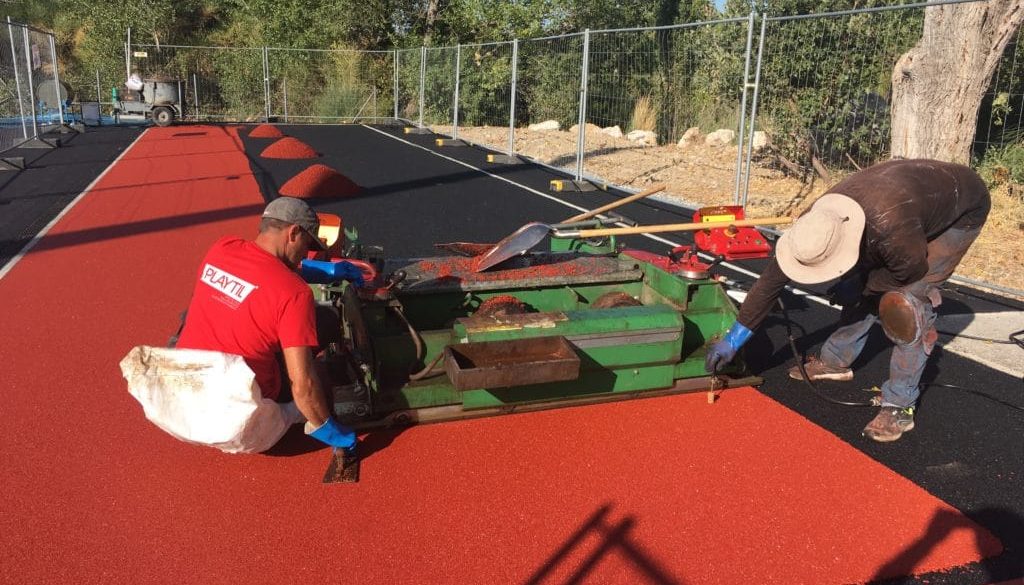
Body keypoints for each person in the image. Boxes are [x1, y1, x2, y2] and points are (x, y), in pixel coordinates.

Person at [705, 159, 991, 442]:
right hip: (904, 206)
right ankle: (836, 362)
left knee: (905, 305)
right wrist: (734, 338)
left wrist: (861, 288)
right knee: (862, 282)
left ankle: (899, 405)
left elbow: (910, 271)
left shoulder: (890, 230)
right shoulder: (814, 225)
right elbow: (769, 284)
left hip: (962, 208)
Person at [176, 197, 361, 452]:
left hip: (188, 386)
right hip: (248, 403)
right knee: (327, 323)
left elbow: (262, 270)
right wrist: (329, 429)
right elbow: (303, 384)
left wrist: (323, 271)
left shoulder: (223, 247)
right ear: (294, 233)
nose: (304, 255)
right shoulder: (294, 293)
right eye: (306, 245)